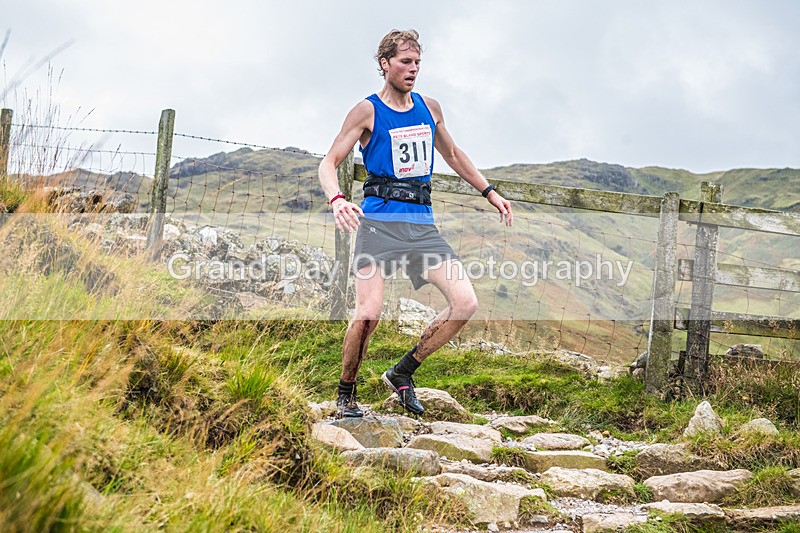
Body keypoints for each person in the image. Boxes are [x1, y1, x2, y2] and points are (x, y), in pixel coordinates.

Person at [318, 29, 513, 419]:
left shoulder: (430, 108)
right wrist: (337, 199)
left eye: (417, 63)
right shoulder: (367, 111)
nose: (412, 70)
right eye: (405, 62)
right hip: (378, 225)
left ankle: (403, 371)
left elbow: (454, 155)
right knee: (368, 313)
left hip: (421, 227)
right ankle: (346, 392)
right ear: (385, 64)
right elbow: (328, 163)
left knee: (465, 303)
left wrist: (489, 191)